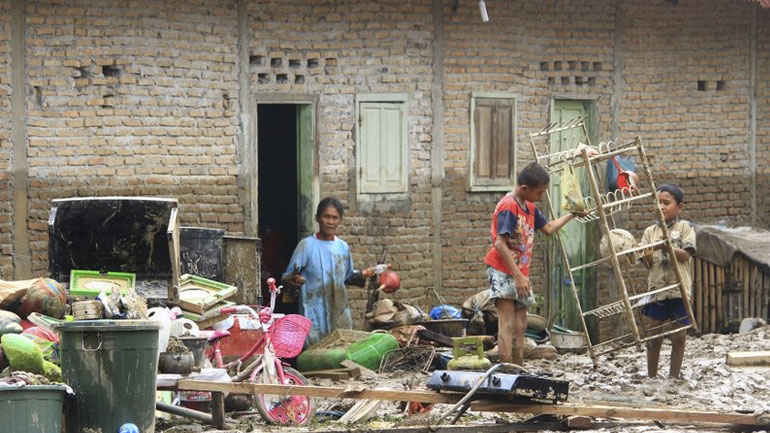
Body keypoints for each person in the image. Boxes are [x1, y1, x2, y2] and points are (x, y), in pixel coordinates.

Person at [484, 162, 582, 366]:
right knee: (507, 322)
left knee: (521, 324)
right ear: (524, 189)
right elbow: (500, 244)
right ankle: (506, 367)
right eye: (540, 192)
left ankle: (518, 365)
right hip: (503, 270)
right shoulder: (508, 206)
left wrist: (573, 214)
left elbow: (547, 228)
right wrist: (518, 276)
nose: (542, 196)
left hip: (521, 272)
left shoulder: (529, 207)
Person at [281, 197, 374, 346]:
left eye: (335, 217)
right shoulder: (306, 246)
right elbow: (286, 277)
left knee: (340, 352)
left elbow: (348, 277)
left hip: (339, 312)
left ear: (340, 220)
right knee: (314, 356)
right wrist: (294, 280)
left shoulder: (343, 247)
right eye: (326, 216)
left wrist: (364, 274)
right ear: (318, 218)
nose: (330, 221)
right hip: (314, 314)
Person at [640, 183, 695, 378]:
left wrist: (665, 247)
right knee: (654, 337)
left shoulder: (685, 228)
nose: (661, 206)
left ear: (679, 207)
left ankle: (673, 377)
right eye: (658, 202)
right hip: (657, 291)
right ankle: (652, 377)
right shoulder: (649, 232)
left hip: (678, 291)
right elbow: (645, 261)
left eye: (666, 203)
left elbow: (685, 255)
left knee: (679, 337)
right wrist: (644, 254)